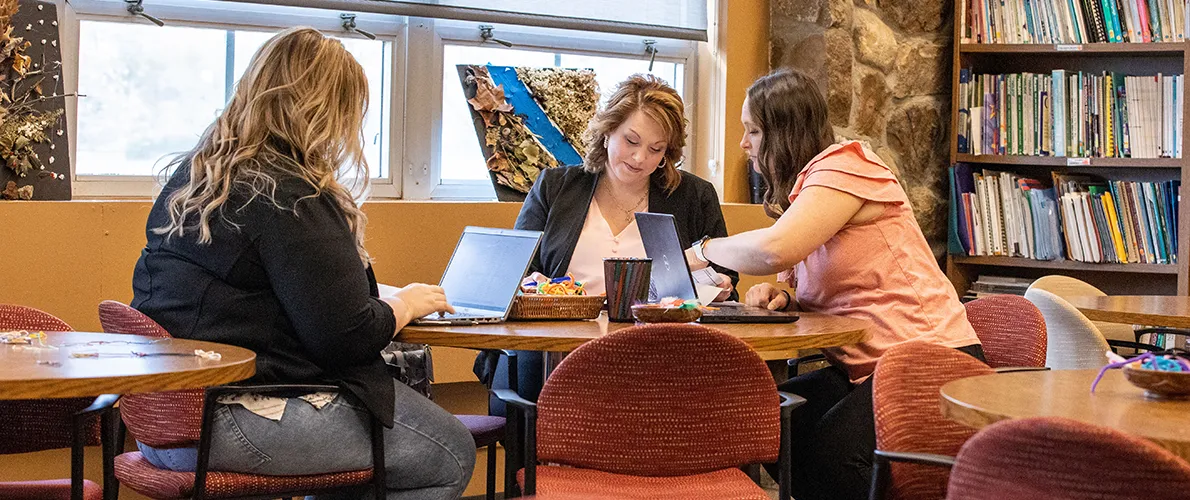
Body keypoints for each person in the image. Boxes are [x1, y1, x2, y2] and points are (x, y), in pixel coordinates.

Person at [130, 27, 475, 499]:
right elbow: (344, 337)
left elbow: (275, 296)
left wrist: (375, 299)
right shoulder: (289, 194)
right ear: (328, 111)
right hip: (239, 422)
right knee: (450, 452)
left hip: (166, 425)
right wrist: (407, 304)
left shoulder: (198, 176)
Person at [685, 68, 984, 500]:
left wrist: (704, 248)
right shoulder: (809, 190)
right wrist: (783, 295)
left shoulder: (847, 166)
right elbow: (806, 273)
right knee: (765, 422)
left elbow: (776, 250)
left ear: (784, 133)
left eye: (753, 130)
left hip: (932, 359)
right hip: (868, 368)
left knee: (832, 453)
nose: (743, 143)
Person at [474, 74, 739, 410]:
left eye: (656, 149)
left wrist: (719, 282)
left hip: (658, 357)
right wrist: (533, 282)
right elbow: (517, 271)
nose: (640, 158)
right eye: (631, 141)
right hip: (557, 354)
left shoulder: (693, 196)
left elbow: (726, 278)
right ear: (607, 131)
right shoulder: (556, 188)